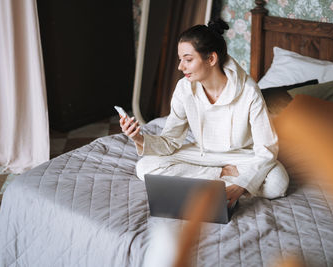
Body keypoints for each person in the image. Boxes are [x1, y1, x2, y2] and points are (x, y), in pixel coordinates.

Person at [120, 19, 289, 207]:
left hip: (242, 156)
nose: (180, 67)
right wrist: (138, 139)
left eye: (188, 59)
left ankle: (220, 184)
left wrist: (242, 185)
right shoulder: (184, 88)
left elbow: (266, 148)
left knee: (277, 184)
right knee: (145, 166)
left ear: (211, 59)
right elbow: (170, 141)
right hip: (203, 155)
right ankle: (221, 177)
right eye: (180, 59)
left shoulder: (249, 91)